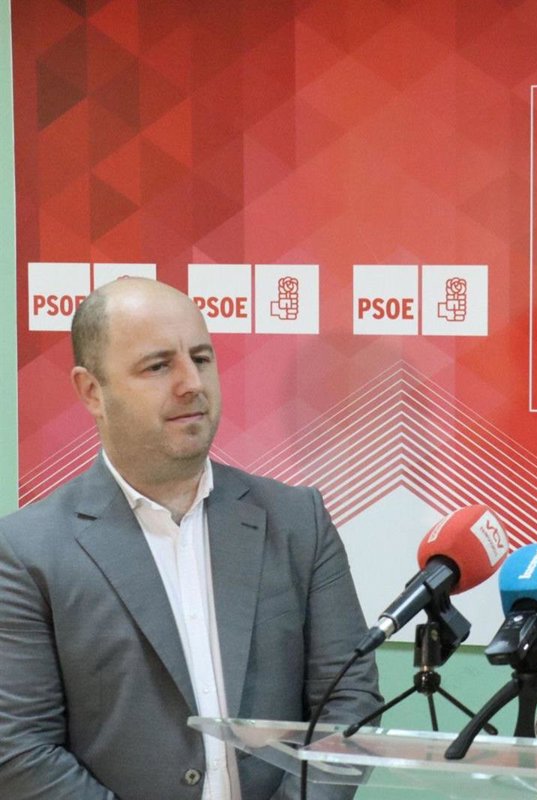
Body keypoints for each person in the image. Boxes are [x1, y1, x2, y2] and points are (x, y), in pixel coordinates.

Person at [0, 278, 382, 799]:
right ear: (91, 391)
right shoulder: (27, 551)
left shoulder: (298, 521)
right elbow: (20, 750)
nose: (191, 383)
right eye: (158, 366)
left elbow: (349, 702)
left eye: (201, 358)